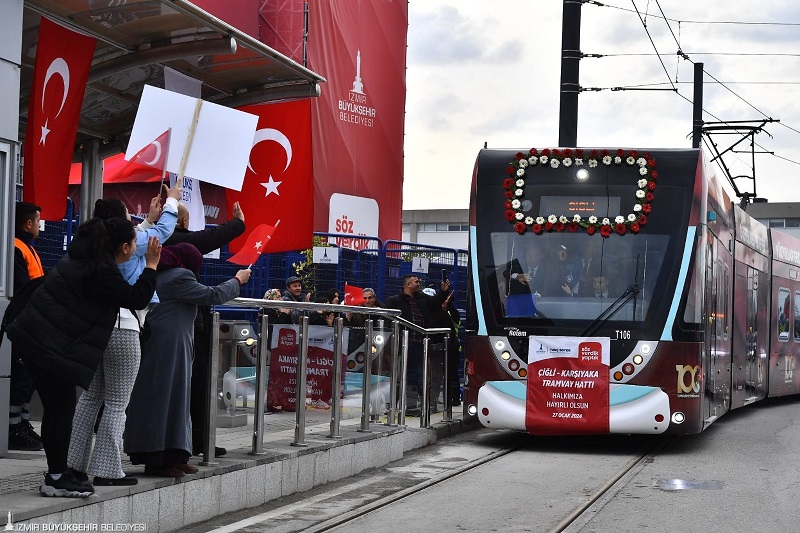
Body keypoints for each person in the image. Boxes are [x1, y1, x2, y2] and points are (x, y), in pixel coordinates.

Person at [6, 218, 161, 498]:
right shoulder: (101, 271)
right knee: (61, 409)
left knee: (62, 408)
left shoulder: (85, 258)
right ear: (125, 248)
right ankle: (56, 477)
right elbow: (137, 297)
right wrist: (151, 265)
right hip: (45, 342)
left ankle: (62, 472)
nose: (136, 249)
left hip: (38, 337)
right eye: (134, 245)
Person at [66, 188, 180, 487]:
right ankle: (107, 469)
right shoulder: (129, 248)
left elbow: (138, 236)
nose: (135, 221)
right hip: (125, 327)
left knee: (90, 399)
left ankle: (73, 464)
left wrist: (146, 223)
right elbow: (162, 232)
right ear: (126, 242)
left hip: (97, 329)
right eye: (130, 219)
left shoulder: (94, 246)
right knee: (117, 403)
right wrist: (172, 201)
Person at [124, 243, 250, 478]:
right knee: (167, 401)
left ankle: (174, 455)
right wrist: (238, 280)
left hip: (169, 347)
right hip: (168, 349)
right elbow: (213, 295)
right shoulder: (179, 277)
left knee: (174, 401)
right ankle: (159, 458)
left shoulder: (166, 275)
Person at [163, 201, 246, 459]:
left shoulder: (152, 243)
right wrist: (238, 224)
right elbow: (212, 292)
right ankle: (190, 442)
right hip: (185, 332)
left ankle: (186, 443)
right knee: (195, 387)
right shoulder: (176, 262)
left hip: (172, 330)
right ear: (183, 224)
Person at [8, 202, 45, 451]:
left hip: (31, 321)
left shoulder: (26, 248)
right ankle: (12, 429)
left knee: (27, 378)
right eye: (38, 222)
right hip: (23, 322)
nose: (41, 228)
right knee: (20, 378)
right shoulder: (16, 248)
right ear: (29, 224)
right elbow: (23, 289)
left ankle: (21, 423)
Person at [386, 274, 449, 414]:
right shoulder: (395, 301)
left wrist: (443, 291)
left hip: (420, 341)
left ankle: (421, 403)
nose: (419, 283)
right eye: (416, 281)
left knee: (420, 374)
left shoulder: (422, 298)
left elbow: (435, 303)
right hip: (404, 342)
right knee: (407, 374)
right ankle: (407, 404)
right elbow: (388, 319)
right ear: (408, 285)